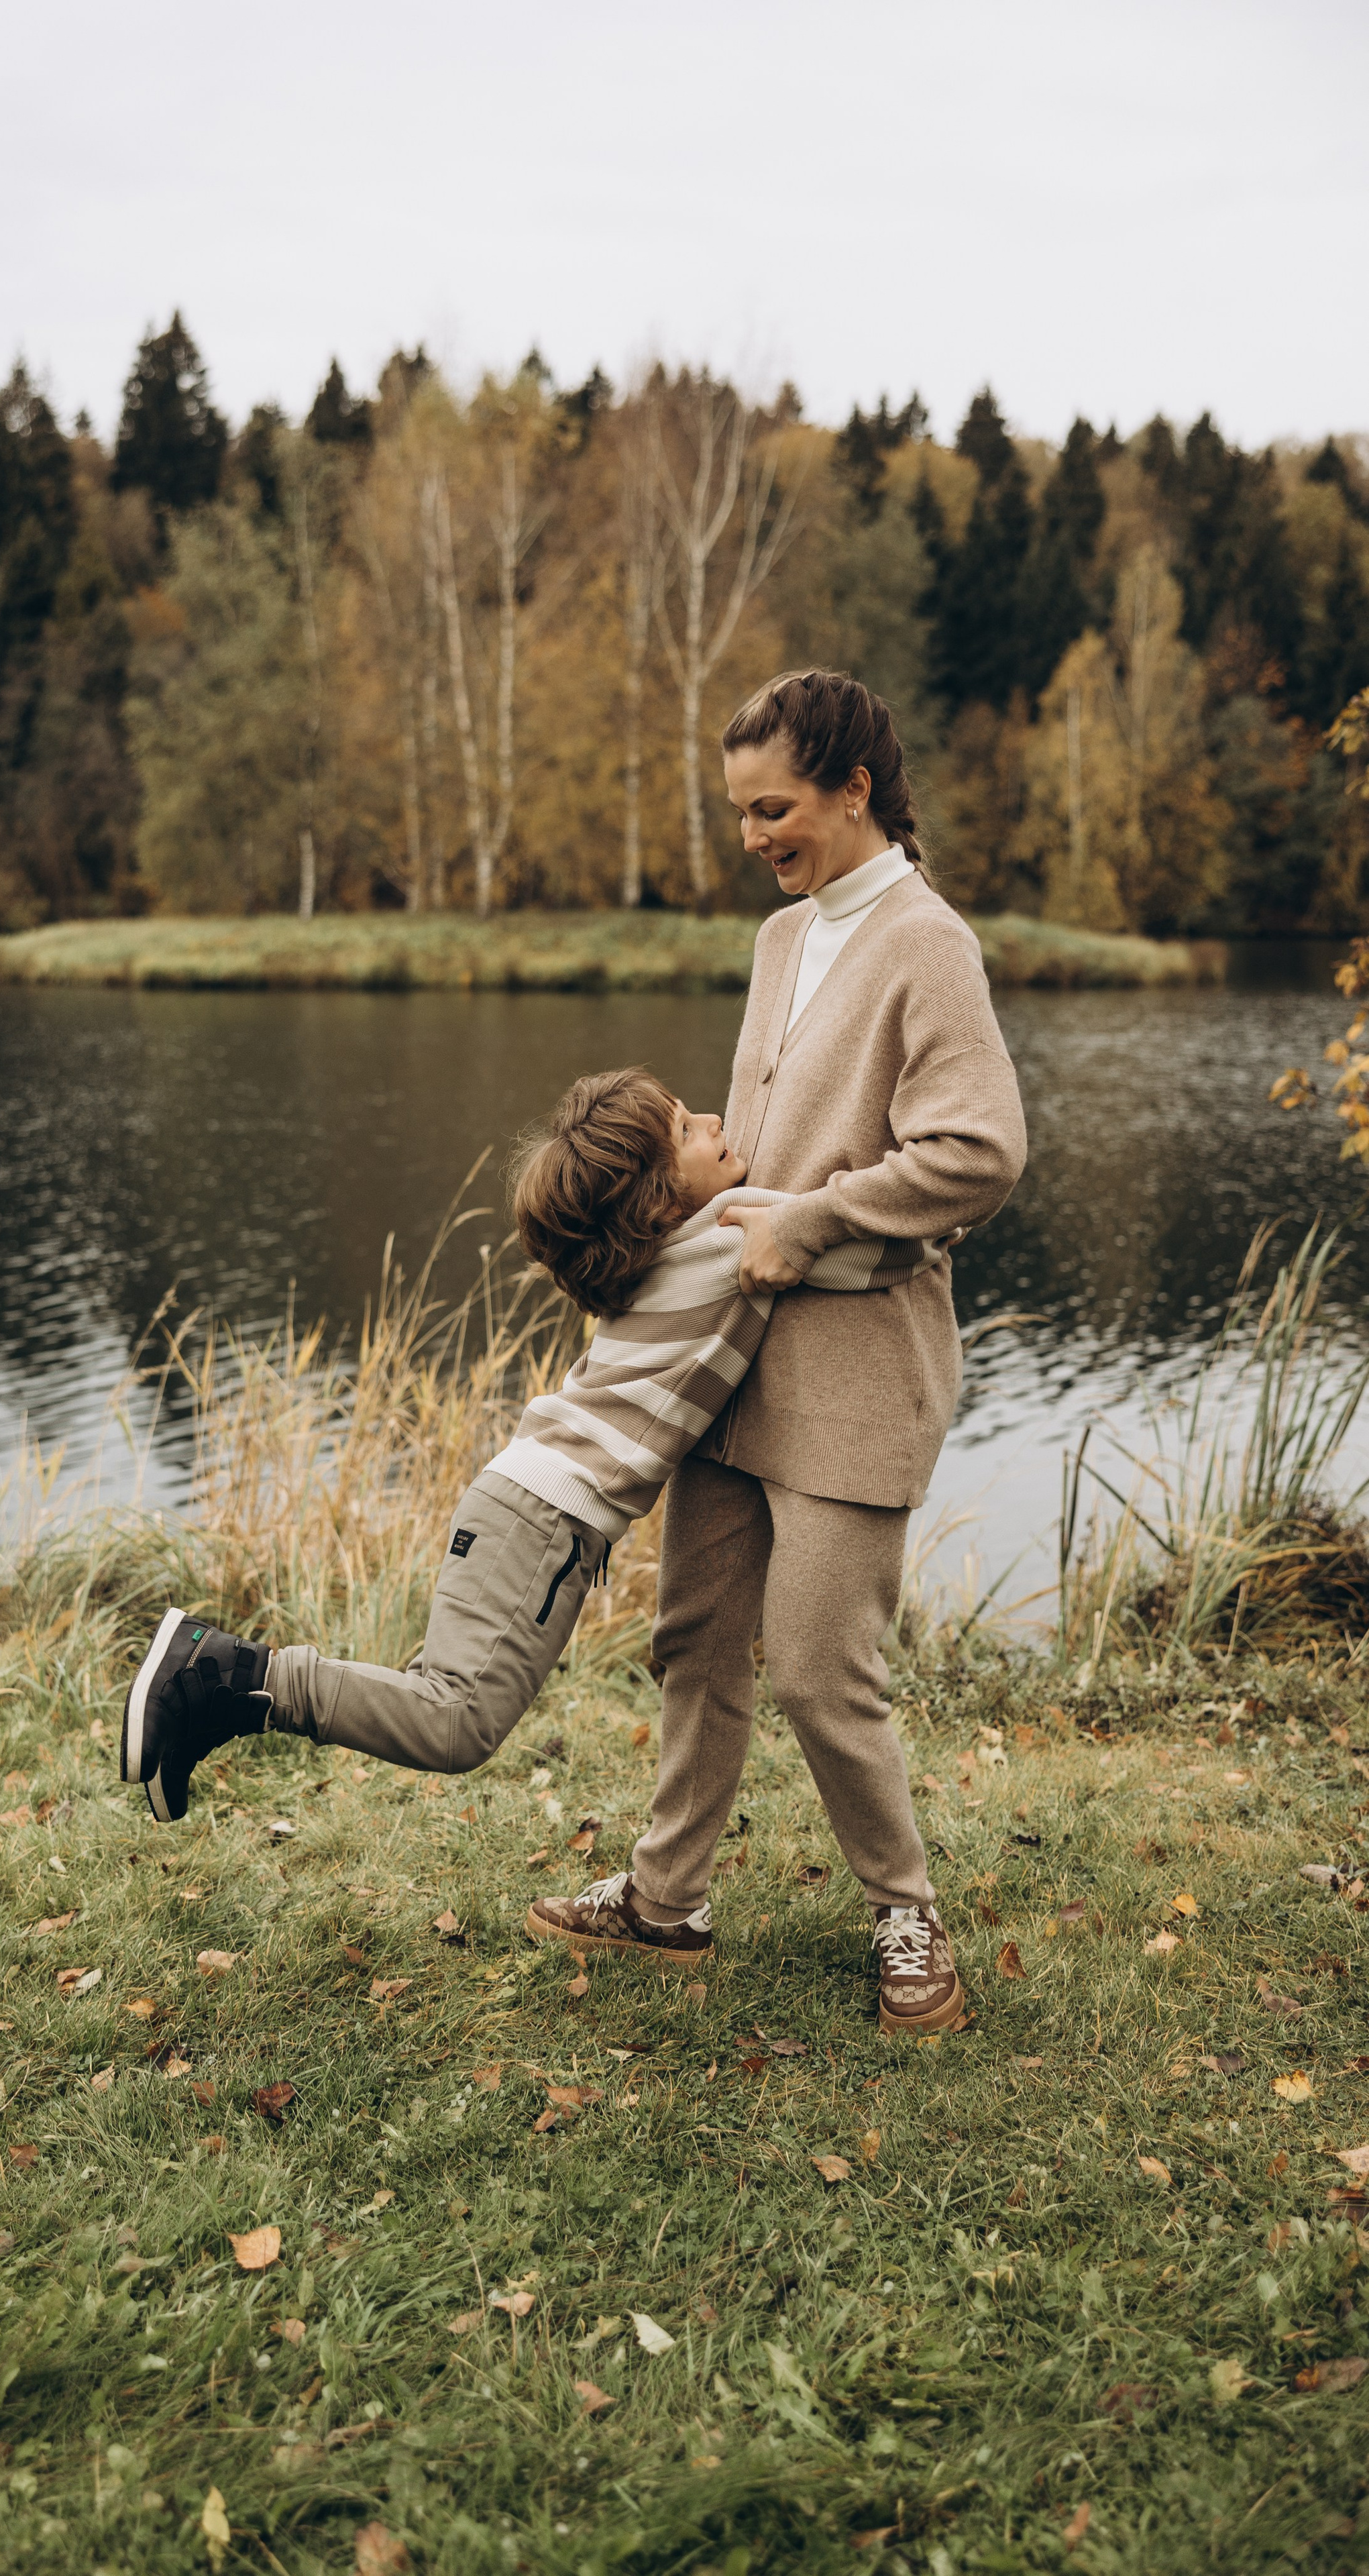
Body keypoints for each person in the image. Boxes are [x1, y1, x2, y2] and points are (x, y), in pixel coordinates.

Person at [530, 668, 1027, 2036]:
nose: (753, 835)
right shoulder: (776, 941)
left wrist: (812, 1220)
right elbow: (749, 1158)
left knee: (817, 1667)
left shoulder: (927, 947)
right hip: (729, 1367)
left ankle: (906, 1917)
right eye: (742, 811)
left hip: (860, 1367)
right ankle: (664, 1901)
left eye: (774, 807)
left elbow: (980, 1152)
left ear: (852, 790)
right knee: (696, 1641)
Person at [119, 1065, 947, 1832]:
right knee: (455, 1722)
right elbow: (891, 1242)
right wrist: (926, 1203)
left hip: (518, 1497)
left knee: (445, 1703)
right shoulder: (735, 1234)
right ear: (660, 1199)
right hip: (547, 1517)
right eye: (685, 1129)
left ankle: (214, 1696)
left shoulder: (655, 1252)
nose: (713, 1119)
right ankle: (222, 1675)